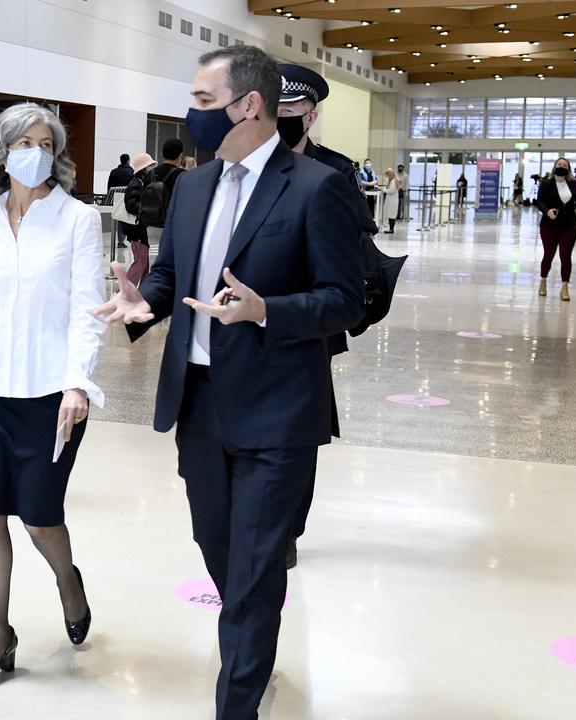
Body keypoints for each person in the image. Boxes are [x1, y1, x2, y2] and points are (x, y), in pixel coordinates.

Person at [95, 45, 363, 719]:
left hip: (279, 409)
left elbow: (343, 299)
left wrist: (267, 309)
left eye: (204, 102)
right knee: (221, 551)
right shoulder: (192, 187)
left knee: (249, 572)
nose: (193, 115)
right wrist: (142, 305)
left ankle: (237, 698)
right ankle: (255, 640)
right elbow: (169, 276)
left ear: (249, 106)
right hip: (202, 405)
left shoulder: (315, 188)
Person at [0, 102, 106, 693]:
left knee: (39, 517)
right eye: (24, 142)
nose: (36, 152)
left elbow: (88, 311)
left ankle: (68, 581)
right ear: (1, 152)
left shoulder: (78, 220)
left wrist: (78, 381)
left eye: (45, 143)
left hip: (49, 393)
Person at [274, 63, 377, 568]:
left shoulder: (335, 169)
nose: (279, 116)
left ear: (310, 115)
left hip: (311, 318)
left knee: (299, 428)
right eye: (272, 106)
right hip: (246, 315)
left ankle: (289, 527)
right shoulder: (245, 161)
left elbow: (354, 241)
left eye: (290, 109)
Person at [533, 158, 576, 302]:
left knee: (565, 255)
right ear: (554, 167)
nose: (562, 167)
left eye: (564, 165)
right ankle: (543, 280)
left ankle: (565, 286)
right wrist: (547, 211)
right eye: (559, 165)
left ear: (568, 168)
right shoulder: (546, 183)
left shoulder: (572, 184)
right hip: (549, 224)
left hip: (569, 224)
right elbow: (539, 202)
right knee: (549, 254)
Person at [120, 152, 157, 286]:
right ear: (143, 169)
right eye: (150, 165)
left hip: (141, 230)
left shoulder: (143, 182)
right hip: (137, 231)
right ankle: (125, 291)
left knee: (145, 263)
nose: (153, 168)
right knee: (140, 262)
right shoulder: (136, 184)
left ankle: (143, 292)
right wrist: (147, 207)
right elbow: (131, 205)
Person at [107, 154, 134, 248]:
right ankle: (122, 241)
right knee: (124, 219)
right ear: (128, 161)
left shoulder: (113, 172)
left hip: (115, 199)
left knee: (117, 219)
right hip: (127, 199)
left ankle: (119, 240)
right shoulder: (132, 172)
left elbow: (109, 187)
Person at [383, 169, 400, 233]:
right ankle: (391, 228)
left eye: (387, 176)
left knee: (391, 215)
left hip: (392, 201)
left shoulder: (393, 181)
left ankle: (391, 229)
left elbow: (391, 191)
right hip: (392, 201)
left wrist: (384, 190)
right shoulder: (394, 180)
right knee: (392, 214)